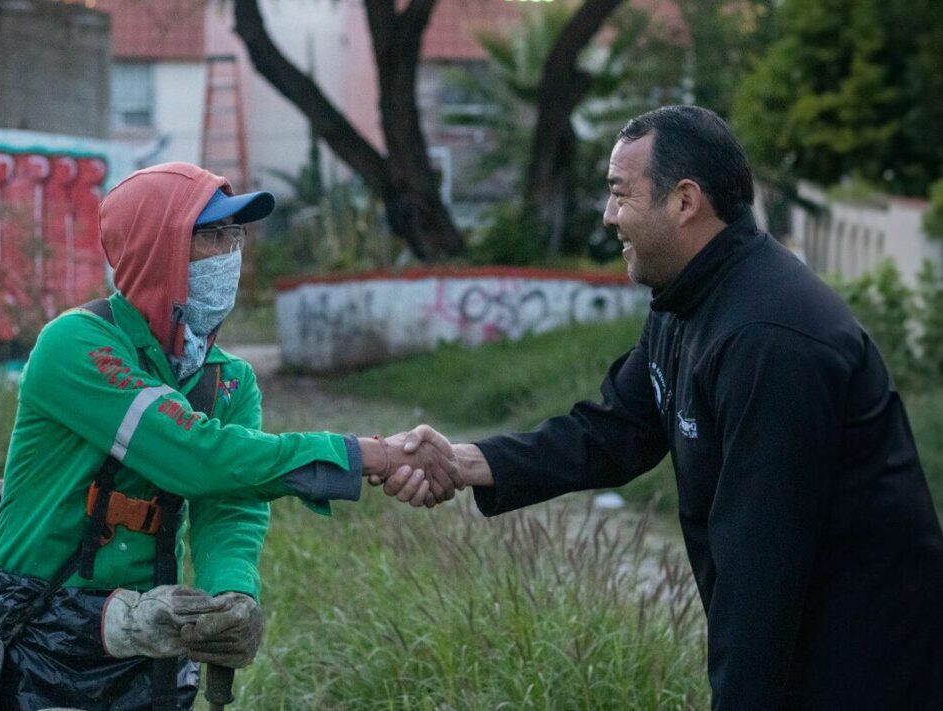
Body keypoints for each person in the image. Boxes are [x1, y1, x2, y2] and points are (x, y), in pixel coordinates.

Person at [387, 106, 943, 708]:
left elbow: (761, 568)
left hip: (865, 667)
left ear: (684, 201)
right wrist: (466, 462)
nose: (608, 217)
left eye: (620, 194)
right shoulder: (686, 300)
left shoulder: (769, 339)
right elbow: (616, 428)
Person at [0, 162, 458, 710]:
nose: (229, 254)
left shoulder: (228, 379)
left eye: (234, 236)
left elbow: (228, 500)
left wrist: (233, 593)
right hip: (41, 634)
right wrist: (360, 454)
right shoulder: (76, 345)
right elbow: (195, 456)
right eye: (209, 236)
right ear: (159, 248)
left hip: (155, 636)